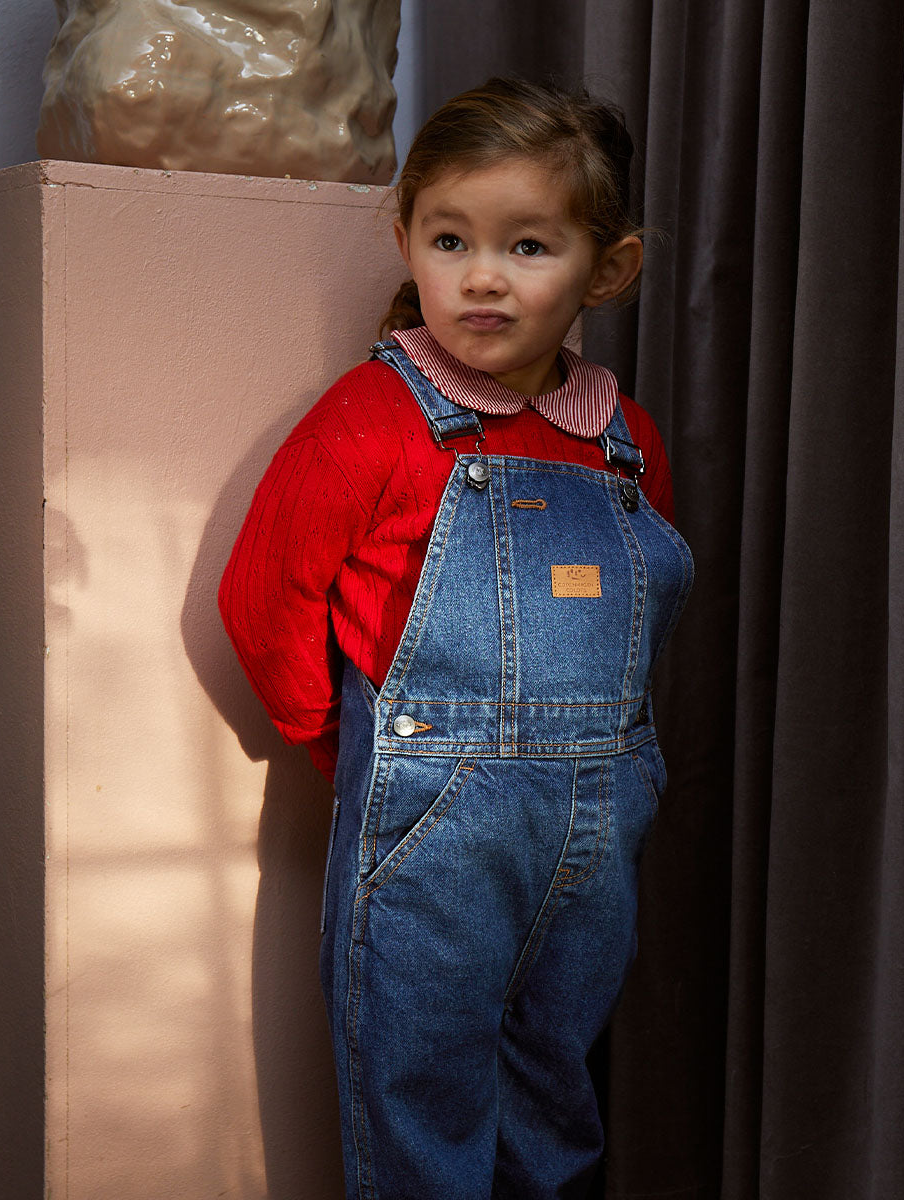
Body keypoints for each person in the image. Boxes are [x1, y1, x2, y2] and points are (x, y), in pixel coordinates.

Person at [219, 76, 693, 1199]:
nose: (481, 276)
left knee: (555, 1090)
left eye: (528, 245)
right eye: (450, 239)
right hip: (430, 822)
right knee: (418, 1090)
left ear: (608, 269)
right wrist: (359, 756)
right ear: (408, 241)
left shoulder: (626, 443)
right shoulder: (375, 418)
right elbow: (267, 596)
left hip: (595, 833)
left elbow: (641, 615)